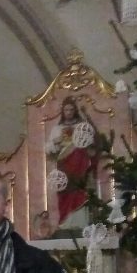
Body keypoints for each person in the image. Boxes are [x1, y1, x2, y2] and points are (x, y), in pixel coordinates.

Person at [45, 95, 95, 227]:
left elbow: (90, 141)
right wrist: (57, 140)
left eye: (71, 110)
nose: (69, 112)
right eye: (66, 110)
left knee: (78, 189)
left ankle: (80, 221)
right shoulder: (57, 129)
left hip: (79, 162)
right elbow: (49, 148)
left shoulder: (81, 126)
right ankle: (65, 222)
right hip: (64, 163)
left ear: (75, 111)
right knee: (64, 191)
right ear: (63, 111)